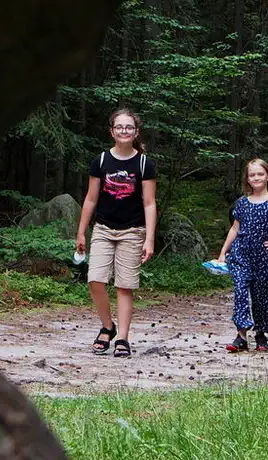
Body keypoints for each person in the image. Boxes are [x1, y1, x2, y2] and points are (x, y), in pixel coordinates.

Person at [75, 109, 157, 358]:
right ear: (112, 131)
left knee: (124, 286)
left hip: (133, 231)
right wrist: (81, 232)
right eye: (119, 127)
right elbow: (90, 199)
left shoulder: (144, 164)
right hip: (102, 229)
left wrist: (150, 239)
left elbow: (149, 203)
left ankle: (122, 338)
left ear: (136, 132)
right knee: (95, 280)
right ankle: (107, 327)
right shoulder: (100, 161)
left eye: (129, 127)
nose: (124, 131)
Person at [217, 158, 268, 352]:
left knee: (262, 295)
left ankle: (261, 334)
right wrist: (223, 252)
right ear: (247, 179)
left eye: (260, 174)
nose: (256, 178)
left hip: (261, 255)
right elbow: (234, 229)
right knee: (240, 291)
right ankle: (241, 336)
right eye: (252, 175)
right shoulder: (242, 203)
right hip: (240, 254)